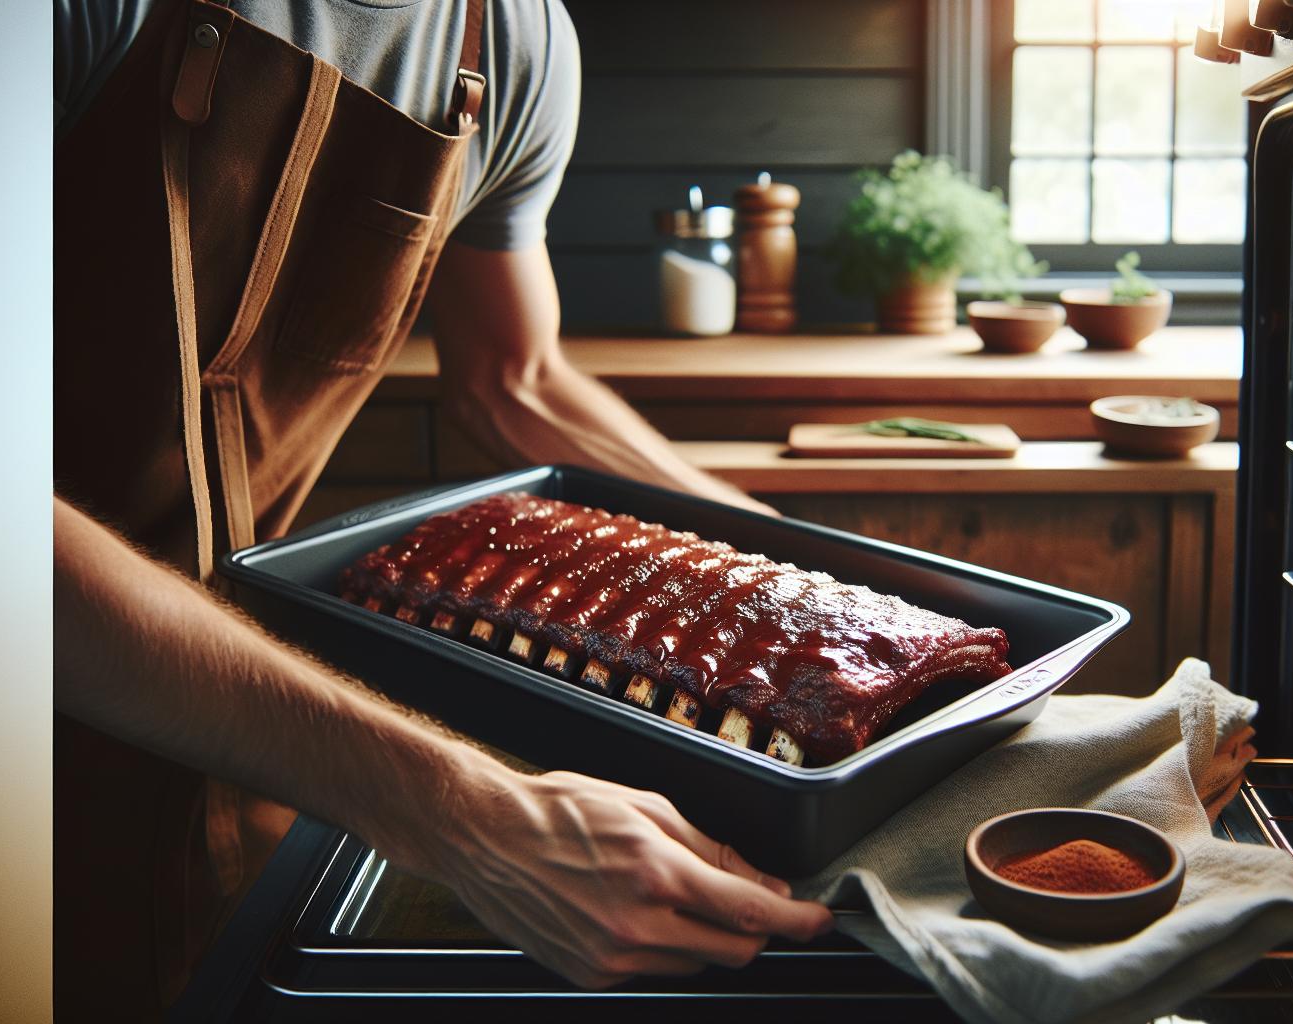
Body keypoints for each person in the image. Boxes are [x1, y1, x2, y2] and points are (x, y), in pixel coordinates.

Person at [52, 0, 831, 1018]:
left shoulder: (510, 43)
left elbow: (516, 381)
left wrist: (806, 583)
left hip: (253, 723)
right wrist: (465, 812)